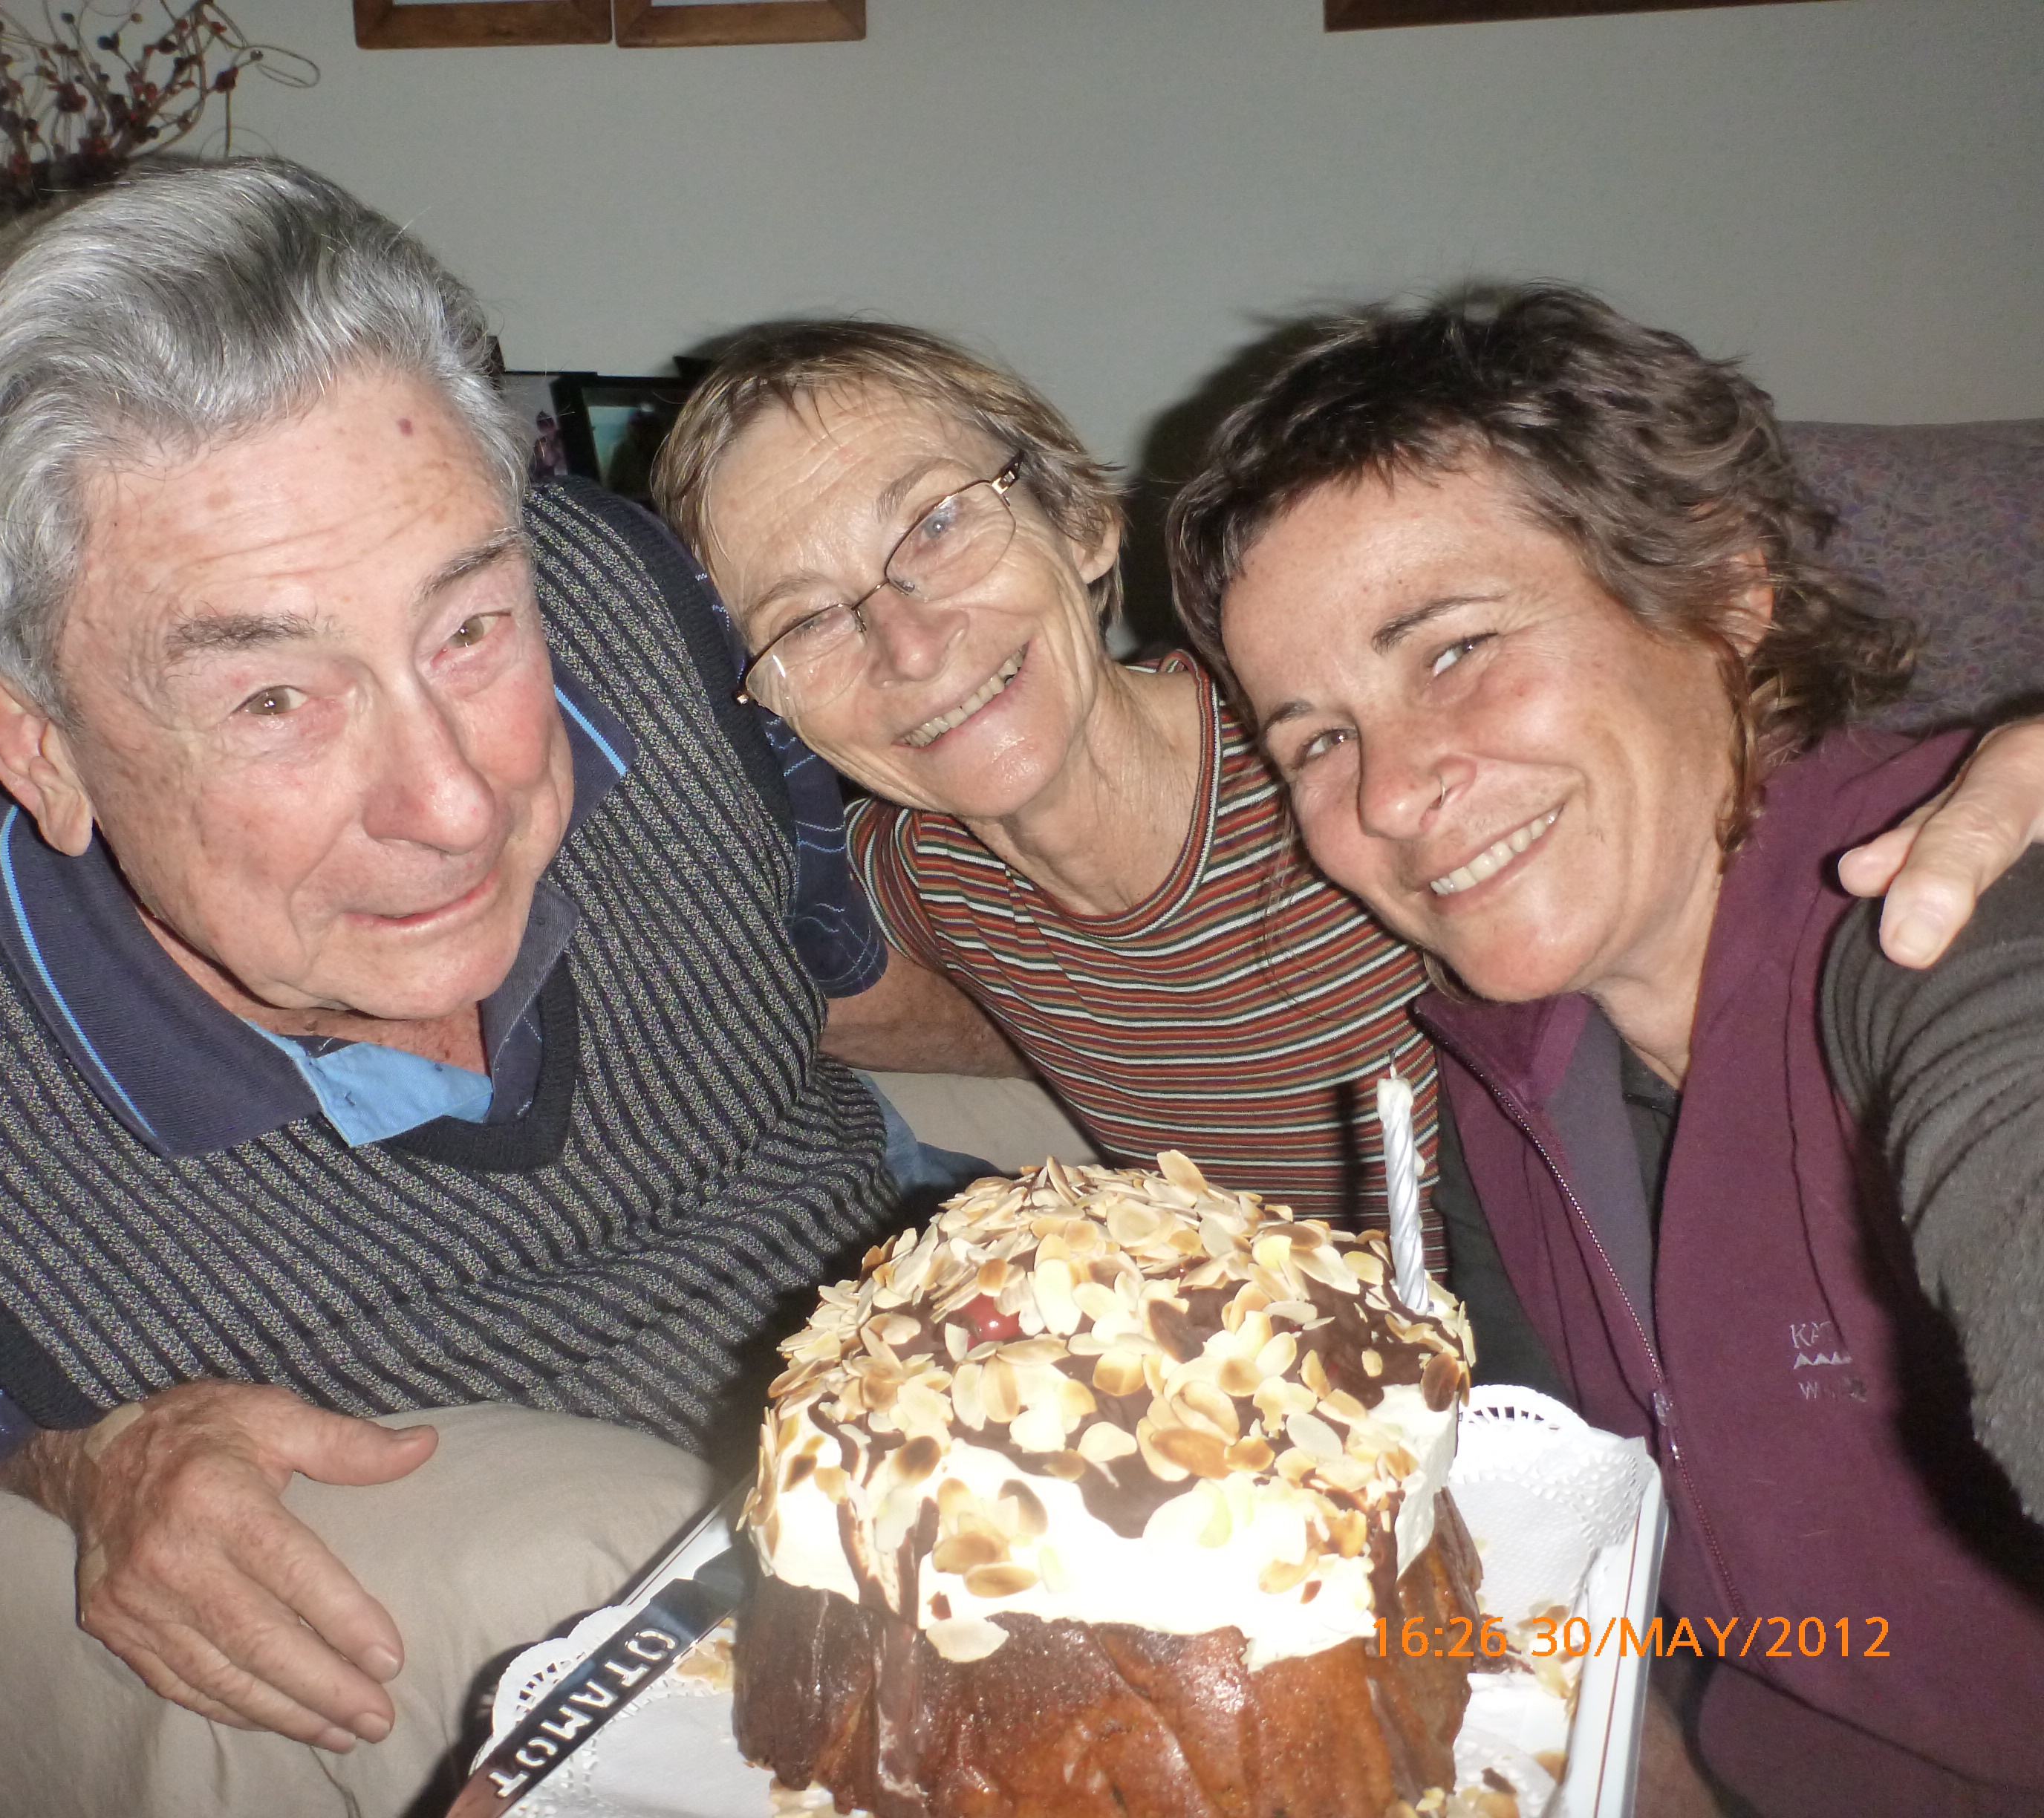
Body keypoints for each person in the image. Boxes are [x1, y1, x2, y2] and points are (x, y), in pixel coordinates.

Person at [0, 157, 912, 1784]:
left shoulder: (630, 603)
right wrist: (83, 1464)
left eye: (469, 628)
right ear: (32, 745)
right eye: (273, 700)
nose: (454, 800)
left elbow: (845, 967)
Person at [649, 322, 2044, 1281]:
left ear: (1081, 519)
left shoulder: (1360, 766)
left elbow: (1745, 792)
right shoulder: (917, 883)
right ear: (771, 705)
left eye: (938, 523)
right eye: (806, 618)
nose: (906, 642)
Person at [1174, 283, 2044, 1815]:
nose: (1387, 795)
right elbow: (1560, 1547)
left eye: (1453, 649)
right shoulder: (1499, 1079)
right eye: (1318, 738)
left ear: (1721, 587)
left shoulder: (1945, 912)